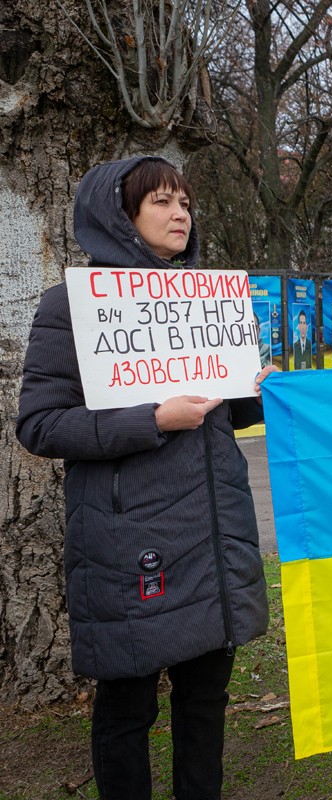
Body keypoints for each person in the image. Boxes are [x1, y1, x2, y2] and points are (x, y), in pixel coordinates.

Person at [16, 156, 273, 800]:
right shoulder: (72, 307)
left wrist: (255, 391)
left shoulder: (205, 303)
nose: (180, 213)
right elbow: (42, 425)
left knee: (206, 698)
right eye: (161, 201)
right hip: (130, 540)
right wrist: (153, 418)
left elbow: (222, 411)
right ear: (119, 215)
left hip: (213, 531)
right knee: (128, 704)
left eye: (184, 201)